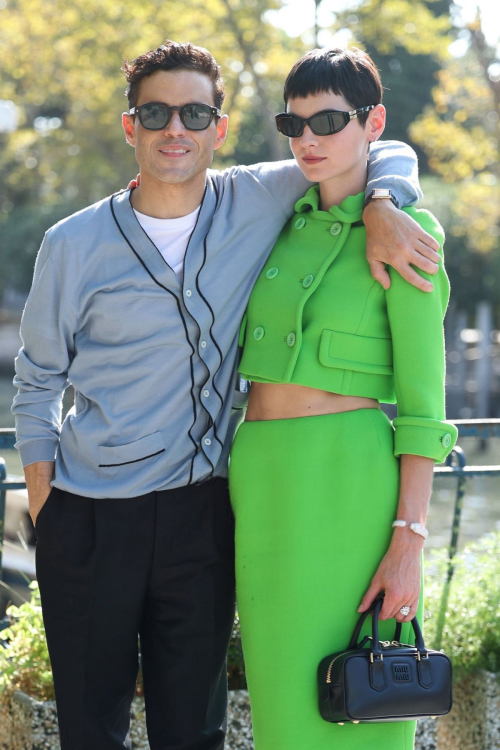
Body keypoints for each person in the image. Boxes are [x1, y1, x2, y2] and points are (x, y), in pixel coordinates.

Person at [12, 40, 438, 750]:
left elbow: (374, 145)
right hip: (90, 518)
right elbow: (36, 379)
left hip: (204, 513)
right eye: (155, 112)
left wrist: (385, 202)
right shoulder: (72, 243)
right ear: (130, 127)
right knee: (90, 731)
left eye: (193, 112)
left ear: (218, 125)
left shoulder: (261, 193)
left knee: (195, 731)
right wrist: (47, 503)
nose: (174, 128)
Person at [229, 47, 458, 750]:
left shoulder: (406, 236)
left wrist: (409, 540)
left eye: (328, 121)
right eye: (293, 124)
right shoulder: (275, 223)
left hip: (347, 488)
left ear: (372, 121)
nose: (308, 140)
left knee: (356, 709)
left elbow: (424, 405)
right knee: (283, 710)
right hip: (261, 484)